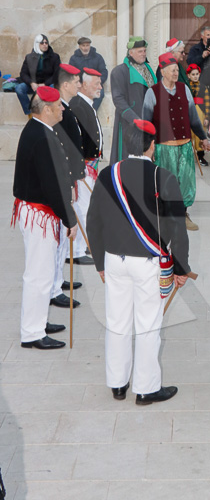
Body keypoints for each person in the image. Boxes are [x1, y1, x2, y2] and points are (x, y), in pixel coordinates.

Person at [86, 119, 191, 405]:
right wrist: (181, 267)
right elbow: (177, 228)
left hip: (113, 259)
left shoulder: (107, 175)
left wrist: (99, 263)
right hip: (147, 262)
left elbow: (93, 221)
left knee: (117, 322)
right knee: (147, 325)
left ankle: (117, 384)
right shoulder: (163, 176)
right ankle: (146, 388)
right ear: (152, 145)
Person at [12, 86, 77, 349]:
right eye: (59, 106)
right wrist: (70, 219)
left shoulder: (41, 129)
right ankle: (32, 332)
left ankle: (37, 321)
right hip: (39, 213)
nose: (63, 109)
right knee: (38, 274)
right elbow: (52, 185)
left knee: (43, 271)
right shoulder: (42, 137)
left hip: (38, 210)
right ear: (47, 109)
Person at [143, 53, 209, 231]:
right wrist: (147, 148)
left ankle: (183, 215)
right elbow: (146, 124)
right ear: (162, 72)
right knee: (165, 184)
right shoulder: (152, 92)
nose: (175, 73)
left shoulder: (184, 89)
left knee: (186, 182)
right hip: (164, 147)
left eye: (176, 70)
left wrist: (203, 138)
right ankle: (164, 217)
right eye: (172, 70)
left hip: (185, 146)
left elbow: (193, 118)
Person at [50, 64, 85, 309]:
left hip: (68, 179)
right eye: (76, 82)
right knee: (59, 236)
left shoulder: (66, 108)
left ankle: (58, 279)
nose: (79, 85)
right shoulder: (56, 111)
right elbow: (60, 150)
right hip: (62, 180)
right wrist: (70, 179)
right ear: (65, 85)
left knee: (63, 237)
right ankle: (53, 288)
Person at [69, 68, 104, 264]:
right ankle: (76, 251)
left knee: (87, 206)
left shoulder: (86, 104)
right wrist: (78, 167)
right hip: (83, 166)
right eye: (96, 84)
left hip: (90, 165)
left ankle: (84, 245)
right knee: (81, 207)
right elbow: (76, 140)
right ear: (83, 85)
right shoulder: (78, 106)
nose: (100, 87)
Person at [110, 37, 157, 163]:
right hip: (129, 123)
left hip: (149, 121)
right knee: (127, 159)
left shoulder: (148, 69)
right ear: (131, 53)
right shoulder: (119, 71)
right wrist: (134, 119)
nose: (143, 54)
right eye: (140, 51)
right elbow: (118, 99)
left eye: (144, 51)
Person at [15, 34, 61, 115]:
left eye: (46, 43)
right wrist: (31, 83)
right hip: (33, 85)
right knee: (19, 88)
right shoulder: (29, 57)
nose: (45, 45)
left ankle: (50, 113)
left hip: (48, 84)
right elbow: (23, 73)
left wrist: (45, 84)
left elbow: (57, 74)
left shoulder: (54, 57)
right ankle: (30, 112)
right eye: (42, 43)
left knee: (54, 89)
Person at [69, 37, 108, 111]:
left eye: (87, 45)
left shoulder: (98, 57)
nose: (85, 48)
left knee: (100, 94)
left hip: (95, 84)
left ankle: (92, 111)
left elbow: (104, 71)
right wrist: (79, 84)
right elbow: (71, 74)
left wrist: (97, 83)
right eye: (83, 45)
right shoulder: (74, 58)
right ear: (79, 46)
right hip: (80, 85)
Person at [187, 63, 210, 167]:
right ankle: (188, 155)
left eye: (197, 74)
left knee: (200, 133)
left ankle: (200, 156)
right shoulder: (186, 86)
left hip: (200, 112)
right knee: (189, 133)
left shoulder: (203, 87)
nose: (195, 76)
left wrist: (207, 117)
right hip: (189, 111)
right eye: (193, 74)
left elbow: (207, 102)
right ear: (189, 75)